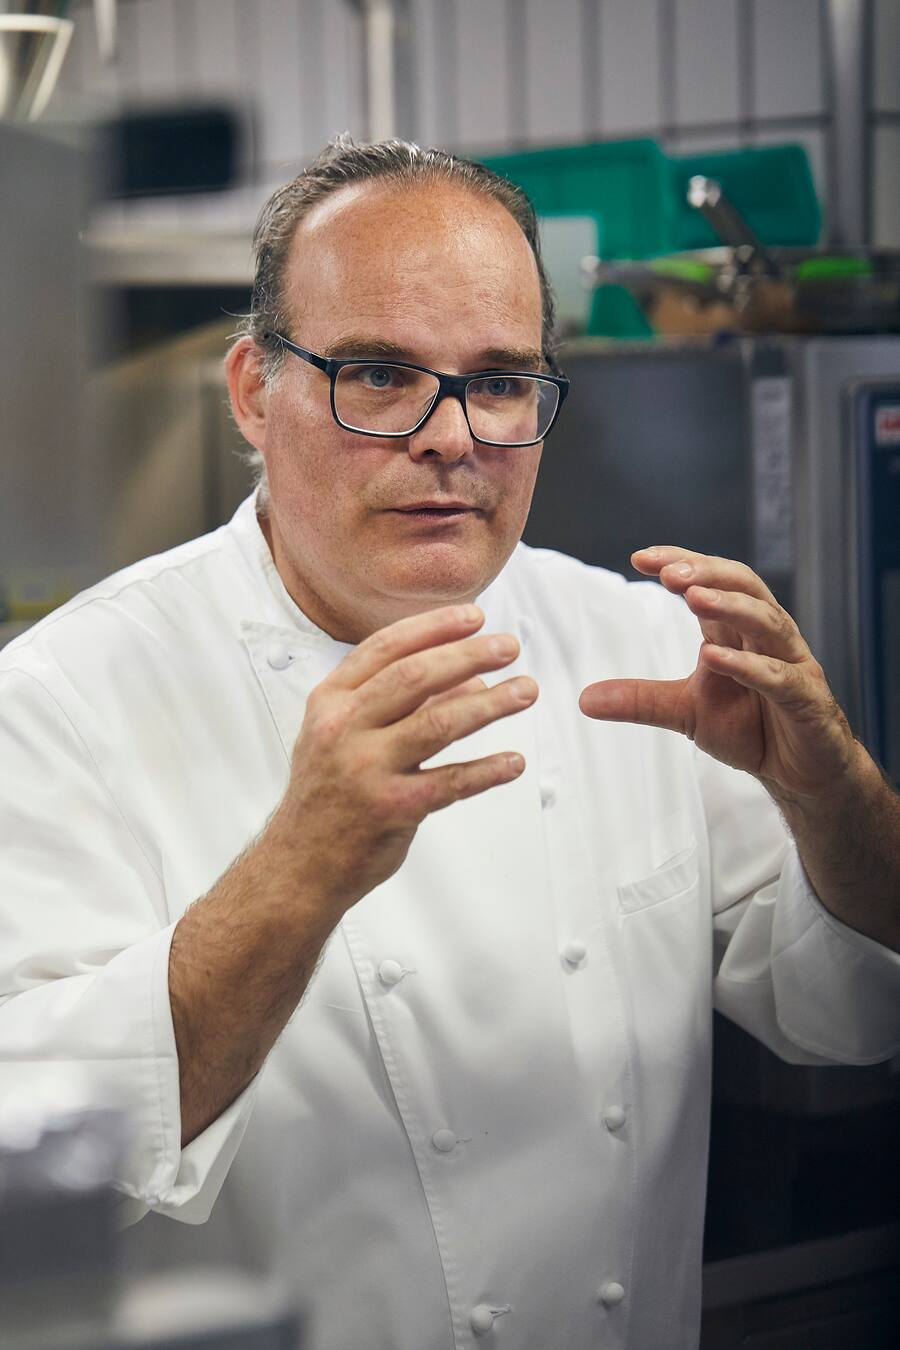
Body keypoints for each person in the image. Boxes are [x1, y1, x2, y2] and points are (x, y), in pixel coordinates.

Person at [1, 136, 898, 1350]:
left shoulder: (637, 645)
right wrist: (302, 868)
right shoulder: (67, 697)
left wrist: (837, 791)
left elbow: (845, 1015)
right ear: (255, 393)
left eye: (501, 381)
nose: (452, 436)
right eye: (379, 373)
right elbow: (41, 1147)